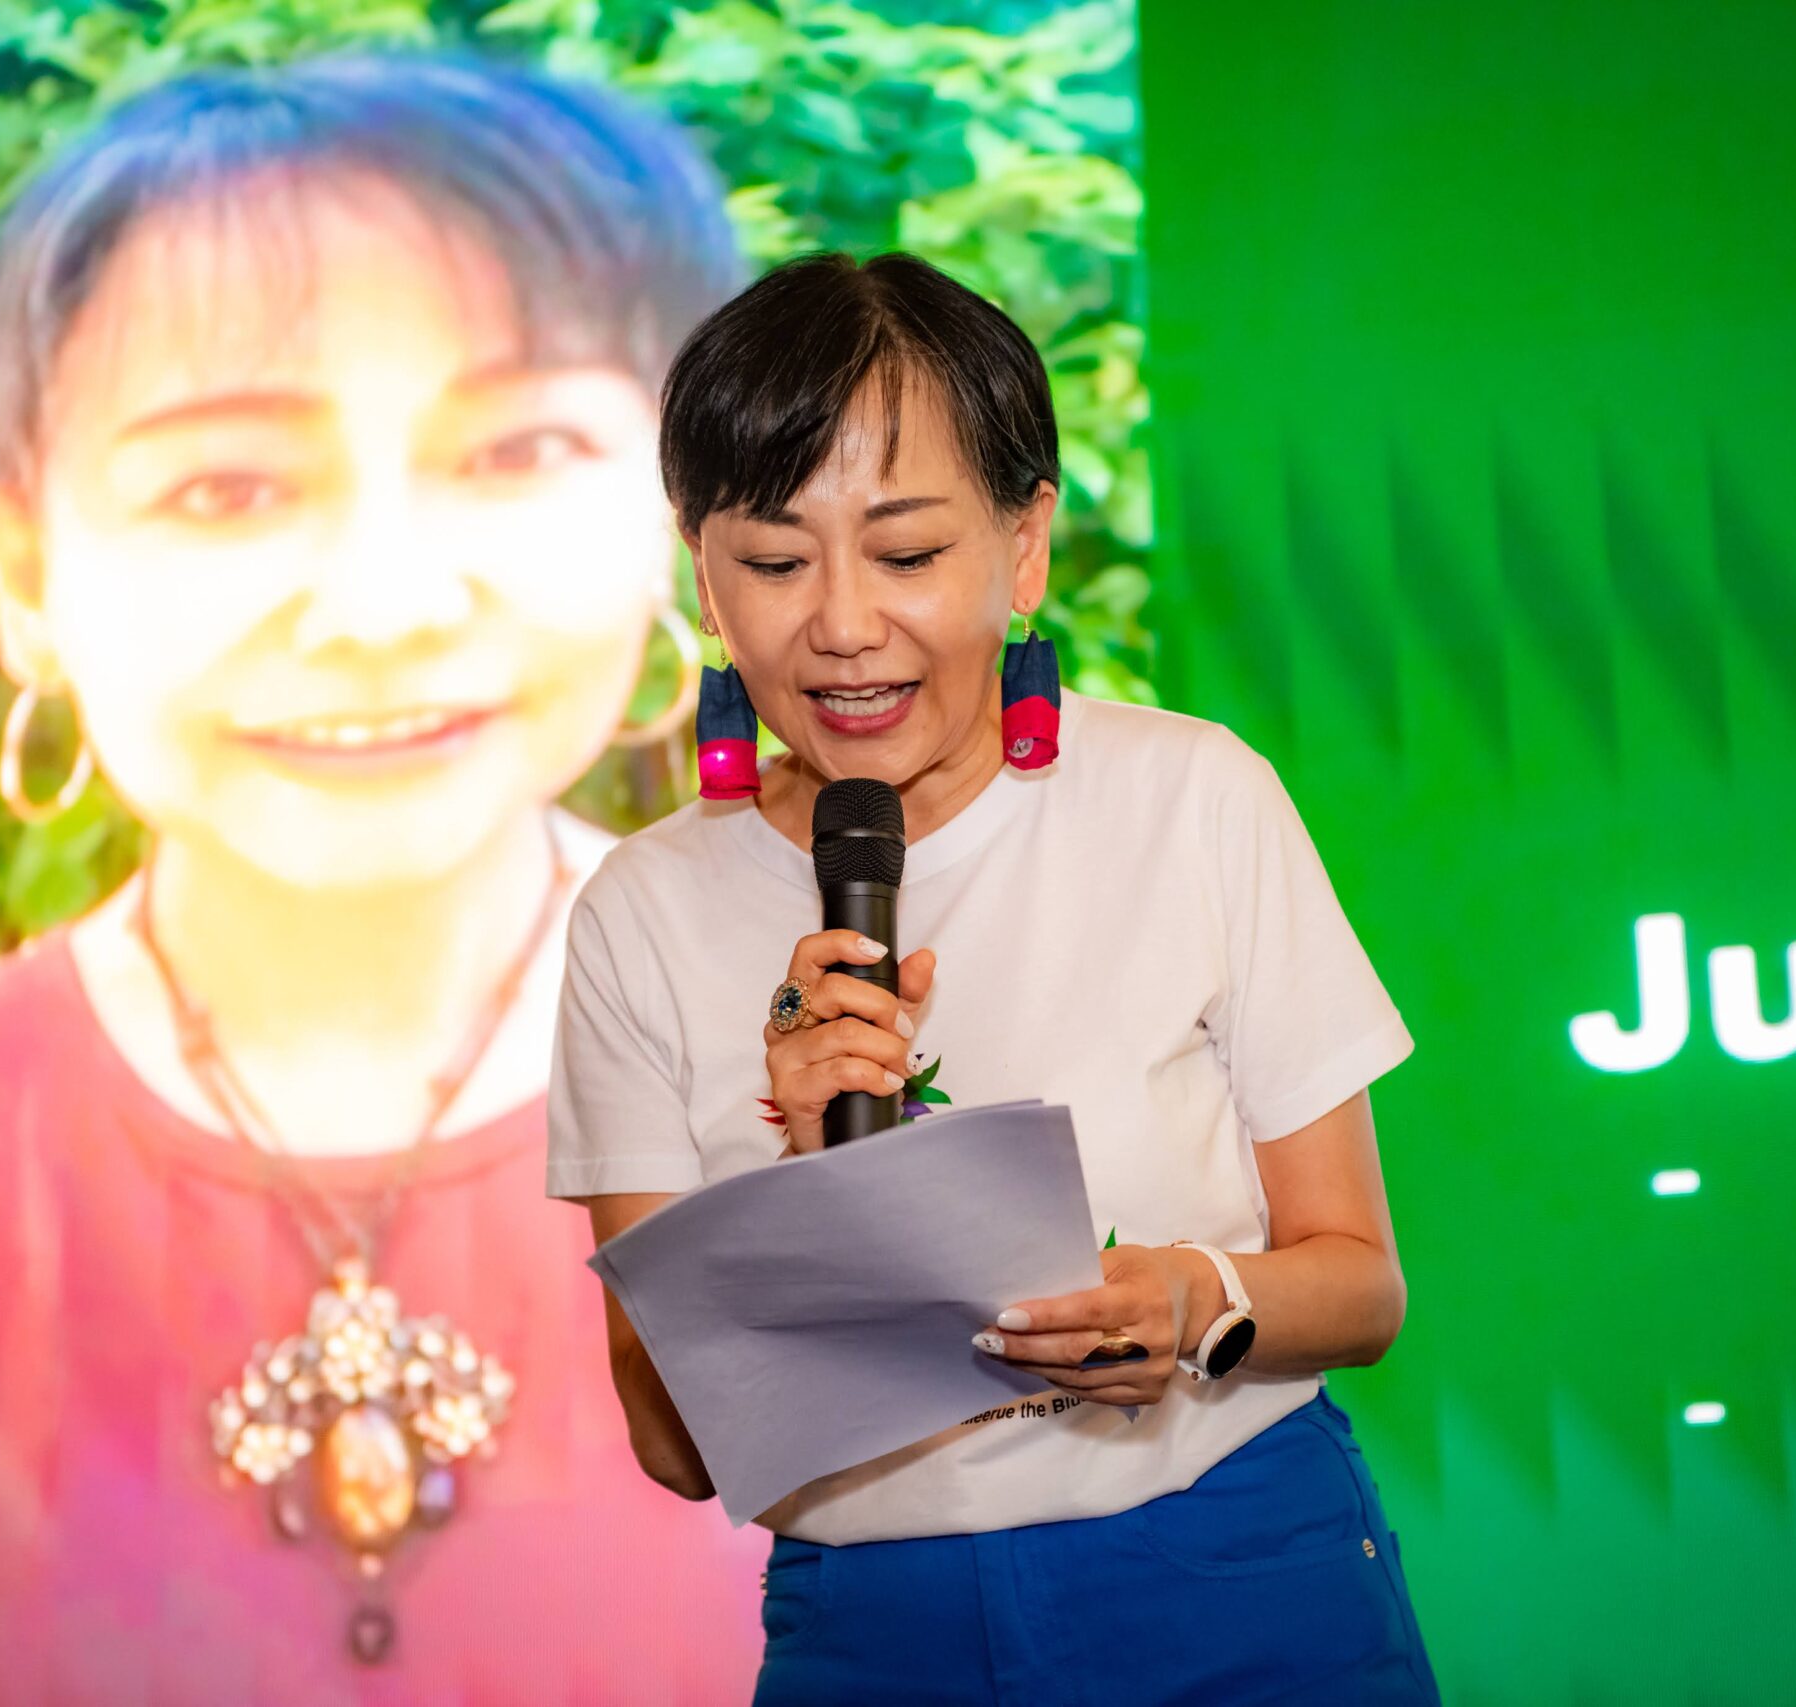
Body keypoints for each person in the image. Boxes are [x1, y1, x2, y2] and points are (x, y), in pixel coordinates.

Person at [0, 56, 769, 1703]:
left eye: (517, 449)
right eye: (227, 486)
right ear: (22, 580)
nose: (384, 606)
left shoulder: (914, 1113)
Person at [549, 252, 1442, 1704]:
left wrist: (1190, 1300)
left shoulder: (1191, 799)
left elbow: (1363, 1286)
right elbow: (673, 1445)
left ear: (1025, 548)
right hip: (873, 1628)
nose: (843, 624)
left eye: (906, 554)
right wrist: (799, 1180)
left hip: (1230, 1571)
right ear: (704, 575)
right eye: (774, 563)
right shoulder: (640, 915)